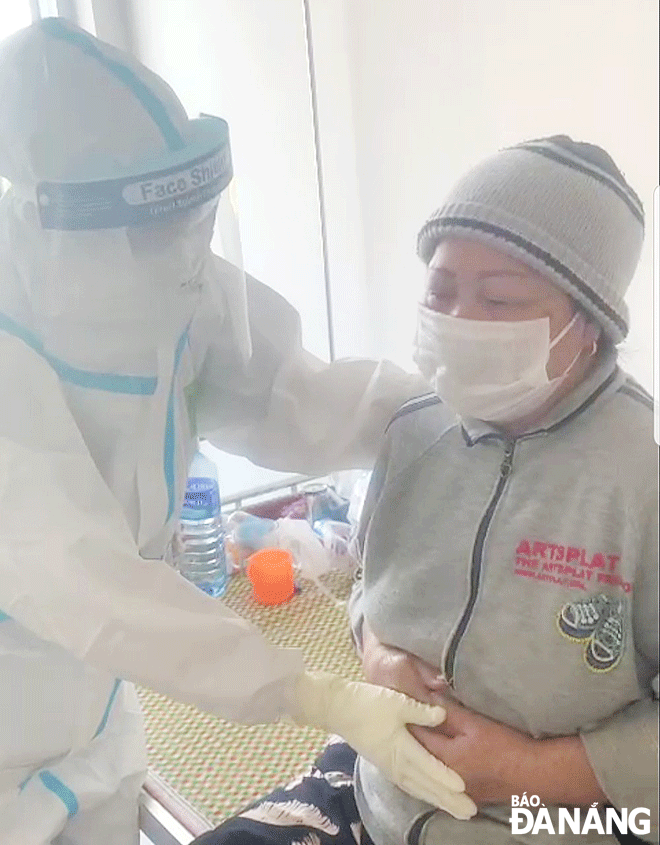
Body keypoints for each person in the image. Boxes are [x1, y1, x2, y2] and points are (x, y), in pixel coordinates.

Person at [0, 18, 475, 845]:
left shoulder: (174, 278)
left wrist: (452, 416)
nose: (190, 248)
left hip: (105, 704)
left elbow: (300, 398)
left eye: (197, 214)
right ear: (57, 222)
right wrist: (312, 693)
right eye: (159, 225)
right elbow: (83, 582)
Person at [195, 136, 658, 845]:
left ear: (588, 324)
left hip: (565, 816)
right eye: (440, 291)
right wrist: (376, 652)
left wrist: (524, 769)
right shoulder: (412, 429)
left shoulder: (641, 483)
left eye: (499, 298)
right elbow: (371, 590)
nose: (460, 321)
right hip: (379, 787)